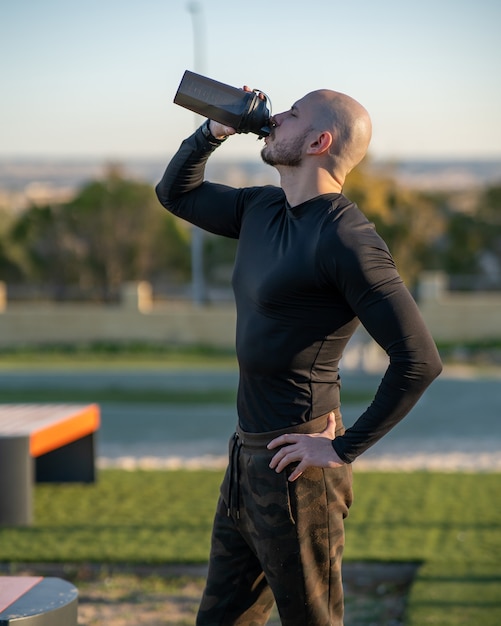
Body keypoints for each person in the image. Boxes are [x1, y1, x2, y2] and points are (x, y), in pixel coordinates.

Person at [156, 86, 442, 626]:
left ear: (318, 140)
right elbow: (176, 193)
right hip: (246, 458)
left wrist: (342, 449)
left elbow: (419, 359)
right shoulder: (261, 207)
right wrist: (214, 130)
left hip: (298, 472)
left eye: (291, 114)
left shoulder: (347, 238)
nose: (275, 117)